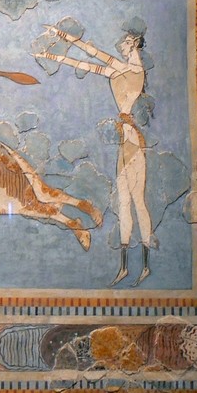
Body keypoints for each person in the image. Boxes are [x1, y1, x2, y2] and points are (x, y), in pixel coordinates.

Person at [35, 21, 154, 286]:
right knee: (124, 202)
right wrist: (55, 49)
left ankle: (145, 265)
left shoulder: (133, 70)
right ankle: (124, 267)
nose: (121, 45)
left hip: (133, 140)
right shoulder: (122, 68)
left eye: (126, 42)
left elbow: (94, 57)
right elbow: (90, 62)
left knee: (137, 201)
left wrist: (59, 40)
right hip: (125, 139)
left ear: (134, 44)